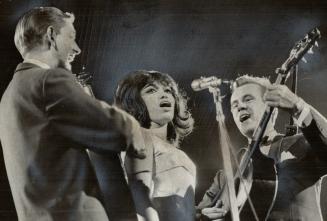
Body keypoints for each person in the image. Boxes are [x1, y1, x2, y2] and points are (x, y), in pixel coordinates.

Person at [0, 7, 146, 221]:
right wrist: (134, 129)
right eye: (71, 37)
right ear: (51, 35)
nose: (77, 49)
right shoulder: (48, 80)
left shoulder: (9, 95)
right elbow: (119, 131)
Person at [197, 75, 327, 220]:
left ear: (272, 108)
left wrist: (299, 108)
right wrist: (204, 217)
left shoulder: (299, 144)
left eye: (248, 99)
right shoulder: (226, 174)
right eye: (234, 105)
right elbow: (196, 214)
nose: (240, 106)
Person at [115, 70, 195, 221]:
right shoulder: (141, 137)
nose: (164, 95)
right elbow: (139, 196)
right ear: (134, 102)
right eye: (151, 90)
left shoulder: (182, 155)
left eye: (168, 90)